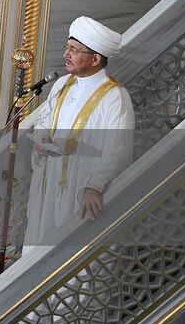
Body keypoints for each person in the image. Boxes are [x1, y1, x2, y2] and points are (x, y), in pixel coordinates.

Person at [24, 16, 135, 244]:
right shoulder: (62, 84)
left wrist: (94, 185)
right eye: (67, 47)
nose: (66, 54)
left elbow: (119, 149)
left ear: (94, 58)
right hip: (48, 182)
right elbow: (44, 119)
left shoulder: (115, 96)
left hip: (80, 186)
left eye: (74, 50)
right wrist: (41, 137)